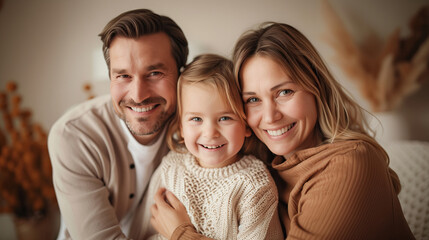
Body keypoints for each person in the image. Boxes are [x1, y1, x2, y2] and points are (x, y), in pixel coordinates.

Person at [150, 23, 416, 239]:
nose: (270, 116)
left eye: (284, 92)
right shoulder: (263, 162)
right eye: (252, 99)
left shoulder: (349, 165)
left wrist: (180, 233)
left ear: (316, 87)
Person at [47, 9, 188, 239]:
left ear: (180, 74)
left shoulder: (199, 128)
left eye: (154, 73)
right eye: (123, 76)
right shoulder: (74, 135)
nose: (139, 95)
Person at [144, 54, 283, 240]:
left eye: (225, 118)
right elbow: (144, 229)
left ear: (246, 125)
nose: (210, 133)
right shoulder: (171, 166)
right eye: (196, 119)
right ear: (181, 127)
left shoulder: (254, 186)